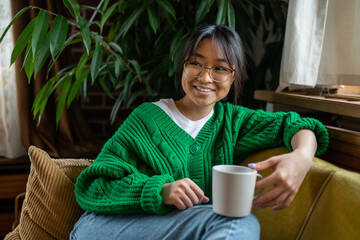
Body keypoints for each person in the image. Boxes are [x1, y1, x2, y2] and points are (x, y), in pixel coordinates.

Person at [70, 24, 328, 240]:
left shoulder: (234, 122)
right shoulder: (147, 118)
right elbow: (92, 187)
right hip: (104, 227)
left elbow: (296, 124)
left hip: (185, 230)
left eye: (220, 68)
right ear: (183, 66)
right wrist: (160, 190)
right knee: (236, 225)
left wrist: (302, 158)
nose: (205, 78)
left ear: (234, 76)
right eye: (196, 63)